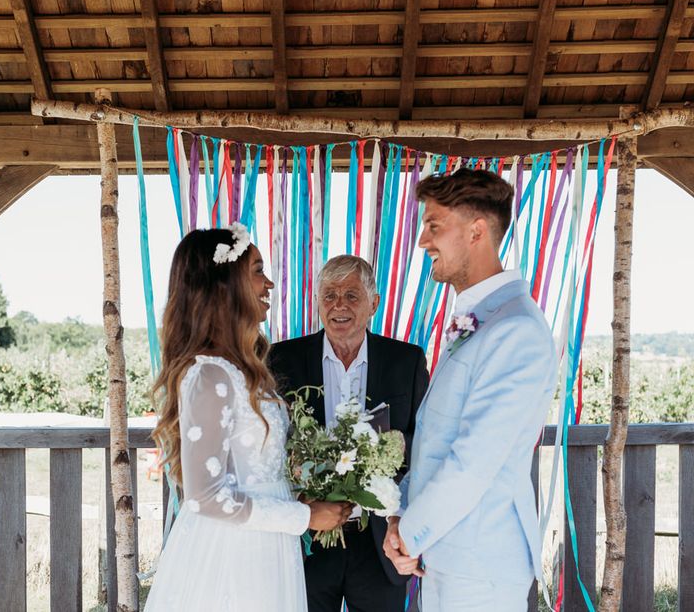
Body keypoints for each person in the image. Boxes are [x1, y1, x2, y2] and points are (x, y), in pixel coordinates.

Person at [145, 224, 351, 612]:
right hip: (232, 557)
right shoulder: (210, 375)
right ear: (225, 285)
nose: (269, 283)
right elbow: (205, 497)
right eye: (257, 270)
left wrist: (300, 497)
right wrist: (303, 516)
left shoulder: (243, 370)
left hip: (268, 546)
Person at [383, 168, 559, 611]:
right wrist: (400, 516)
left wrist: (408, 533)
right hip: (448, 558)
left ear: (477, 231)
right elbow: (436, 444)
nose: (423, 241)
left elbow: (473, 461)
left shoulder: (515, 329)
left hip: (480, 571)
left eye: (434, 226)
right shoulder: (482, 319)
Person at [269, 255, 429, 612]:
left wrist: (402, 518)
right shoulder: (281, 360)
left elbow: (422, 447)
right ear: (317, 302)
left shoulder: (407, 361)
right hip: (307, 539)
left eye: (352, 296)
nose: (339, 305)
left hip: (380, 542)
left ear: (373, 303)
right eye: (329, 295)